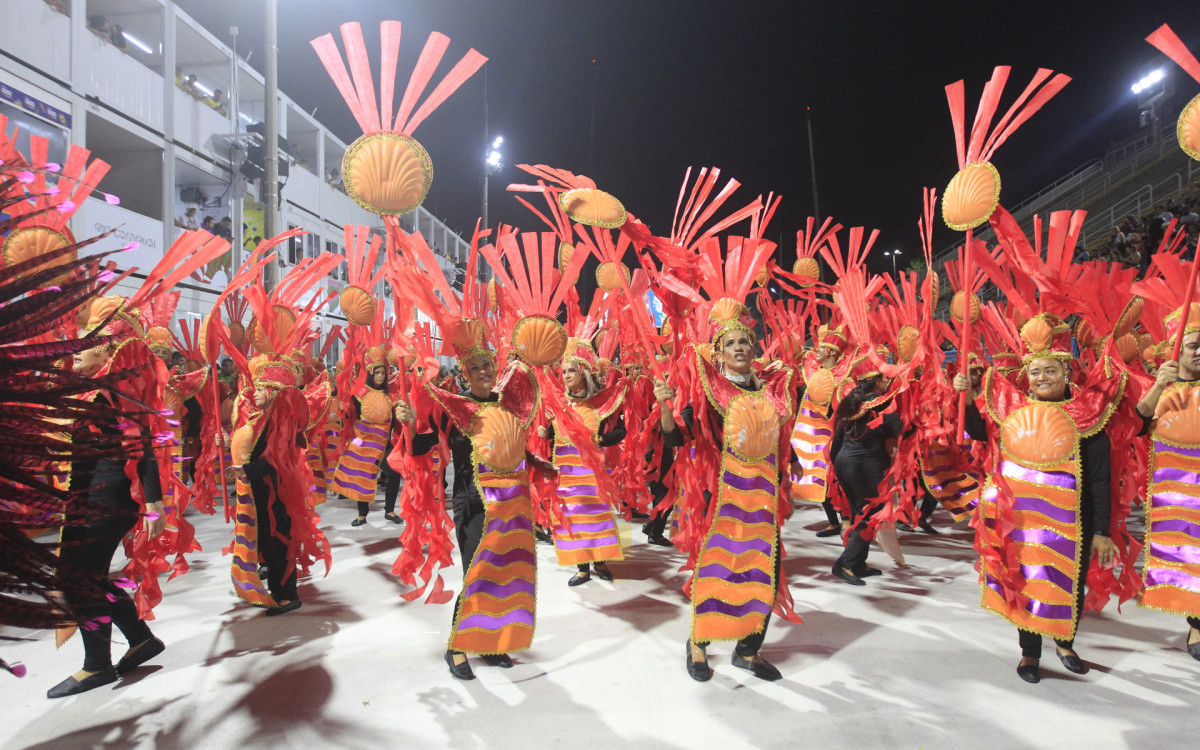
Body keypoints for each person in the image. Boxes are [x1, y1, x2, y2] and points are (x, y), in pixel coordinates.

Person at [953, 313, 1123, 684]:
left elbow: (1098, 479)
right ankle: (1030, 653)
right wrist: (964, 399)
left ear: (1067, 373)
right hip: (1022, 519)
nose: (1042, 378)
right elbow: (978, 431)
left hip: (1072, 522)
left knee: (1067, 584)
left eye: (1050, 371)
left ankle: (1065, 643)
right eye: (1035, 373)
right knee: (1026, 583)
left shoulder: (1088, 417)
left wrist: (1101, 530)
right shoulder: (1013, 413)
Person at [655, 298, 797, 683]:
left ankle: (748, 651)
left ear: (754, 350)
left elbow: (778, 440)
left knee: (764, 571)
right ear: (718, 354)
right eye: (730, 343)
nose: (739, 347)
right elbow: (676, 439)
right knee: (716, 569)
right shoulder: (705, 391)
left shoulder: (771, 392)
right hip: (717, 499)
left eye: (744, 342)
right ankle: (698, 643)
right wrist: (665, 406)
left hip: (763, 499)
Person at [48, 337, 167, 698]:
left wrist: (155, 502)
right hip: (94, 496)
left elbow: (140, 444)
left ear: (104, 353)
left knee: (78, 579)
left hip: (107, 497)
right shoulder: (94, 392)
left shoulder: (113, 393)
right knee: (90, 576)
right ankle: (140, 640)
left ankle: (98, 665)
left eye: (82, 349)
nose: (74, 355)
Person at [1132, 307, 1200, 661]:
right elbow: (1137, 425)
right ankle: (1197, 623)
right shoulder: (1163, 388)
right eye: (1194, 345)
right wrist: (1159, 384)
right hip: (1178, 492)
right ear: (1178, 350)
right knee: (1190, 560)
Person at [540, 340, 626, 586]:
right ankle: (583, 568)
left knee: (596, 518)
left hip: (591, 472)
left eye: (571, 371)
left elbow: (622, 430)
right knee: (574, 519)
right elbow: (554, 432)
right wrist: (545, 434)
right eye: (564, 371)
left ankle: (600, 562)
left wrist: (602, 438)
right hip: (566, 471)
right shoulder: (558, 405)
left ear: (583, 373)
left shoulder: (600, 404)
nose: (566, 375)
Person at [830, 365, 901, 585]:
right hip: (866, 467)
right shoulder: (882, 404)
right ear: (877, 381)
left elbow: (837, 440)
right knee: (870, 515)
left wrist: (838, 466)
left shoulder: (850, 403)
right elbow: (898, 429)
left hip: (845, 464)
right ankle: (845, 563)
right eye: (884, 378)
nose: (887, 382)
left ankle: (859, 564)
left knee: (858, 512)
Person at [330, 349, 403, 526]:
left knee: (394, 472)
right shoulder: (359, 393)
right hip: (363, 443)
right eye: (377, 373)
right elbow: (348, 413)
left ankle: (390, 510)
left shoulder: (390, 395)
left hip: (384, 443)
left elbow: (395, 420)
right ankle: (362, 514)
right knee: (362, 475)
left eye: (383, 373)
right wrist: (343, 406)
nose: (380, 376)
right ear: (370, 373)